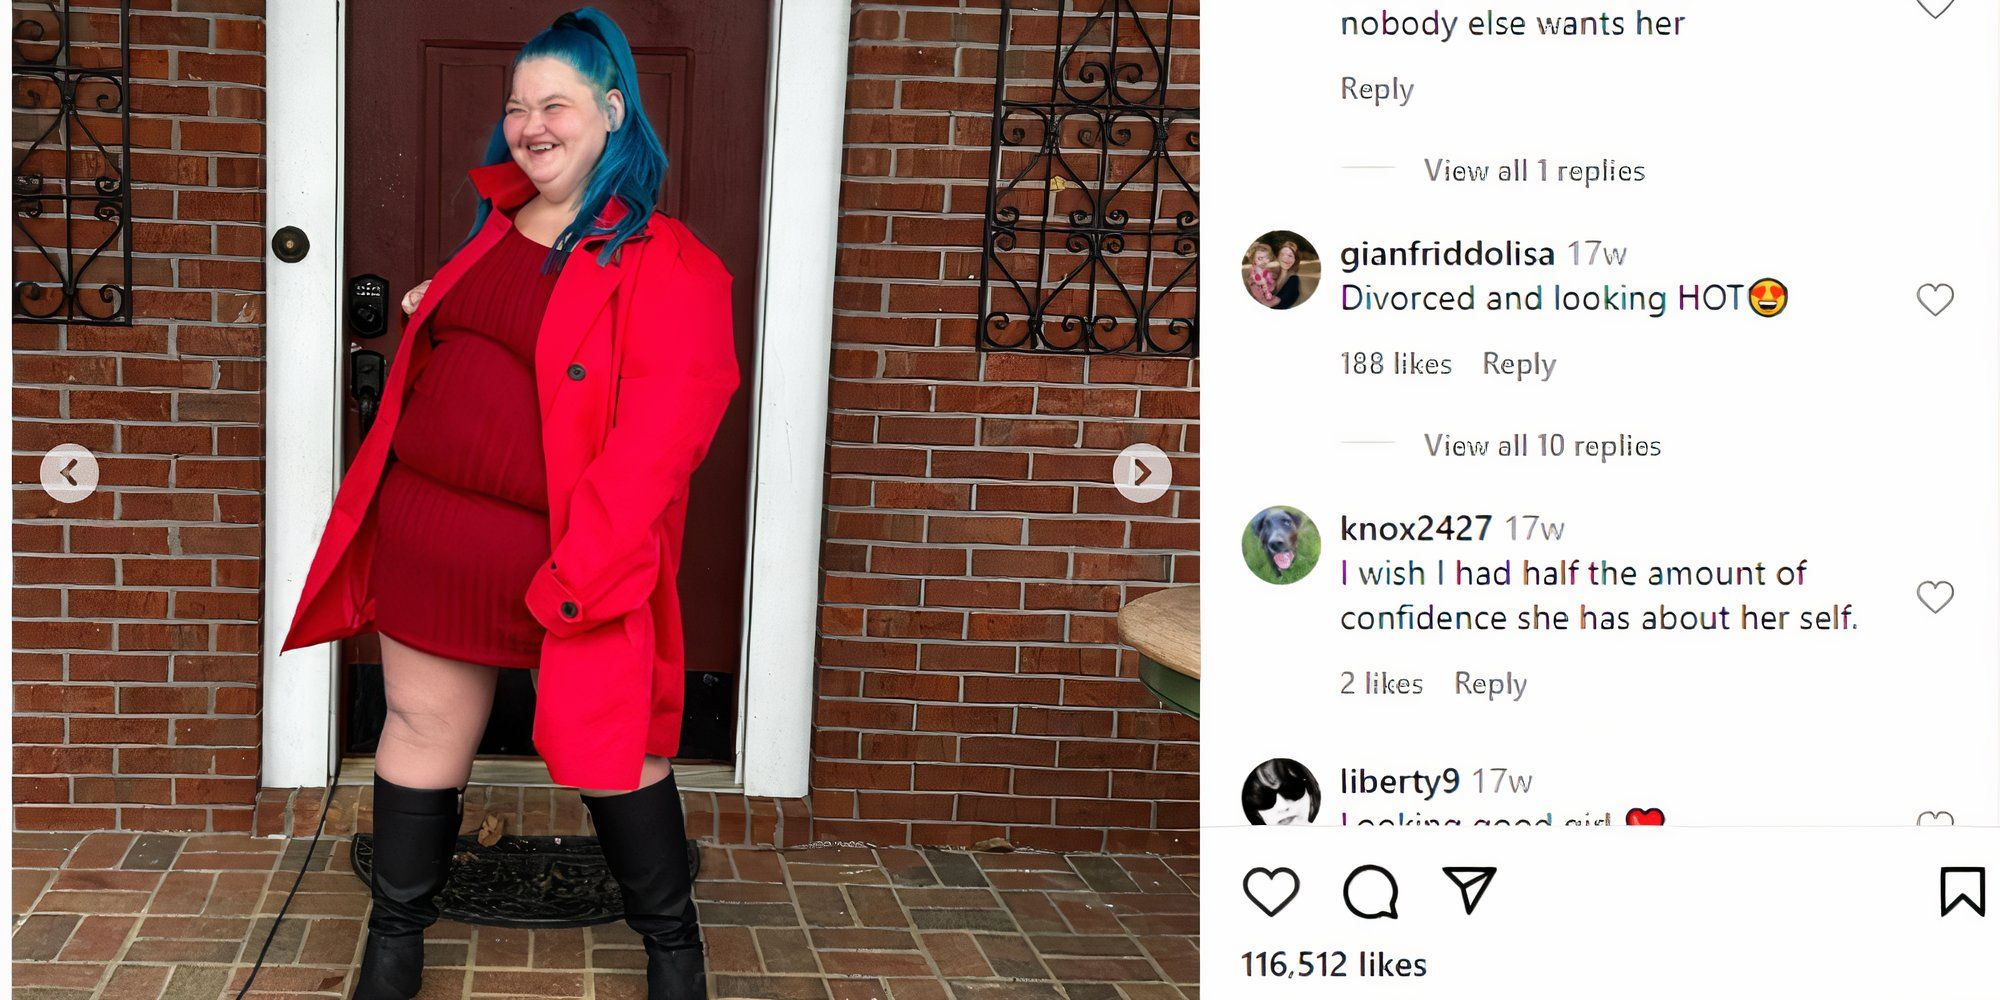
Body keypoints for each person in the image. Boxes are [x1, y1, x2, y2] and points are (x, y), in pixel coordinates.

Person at [279, 8, 735, 999]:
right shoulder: (491, 230)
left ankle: (674, 954)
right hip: (431, 534)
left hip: (568, 554)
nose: (530, 124)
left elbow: (659, 441)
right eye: (517, 105)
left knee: (617, 754)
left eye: (555, 104)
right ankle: (394, 944)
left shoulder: (670, 263)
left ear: (612, 112)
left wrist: (587, 575)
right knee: (415, 723)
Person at [1271, 240, 1305, 310]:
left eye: (1290, 255)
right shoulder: (1272, 276)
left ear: (1295, 259)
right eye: (1282, 254)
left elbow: (1280, 306)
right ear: (1278, 257)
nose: (1285, 258)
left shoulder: (1293, 280)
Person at [1244, 241, 1281, 306]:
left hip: (1264, 283)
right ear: (1253, 259)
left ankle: (1268, 293)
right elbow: (1256, 278)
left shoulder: (1263, 268)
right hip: (1256, 283)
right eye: (1260, 258)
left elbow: (1265, 273)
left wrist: (1268, 277)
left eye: (1266, 257)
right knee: (1256, 288)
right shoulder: (1255, 270)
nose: (1264, 261)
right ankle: (1262, 299)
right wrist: (1261, 281)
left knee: (1269, 278)